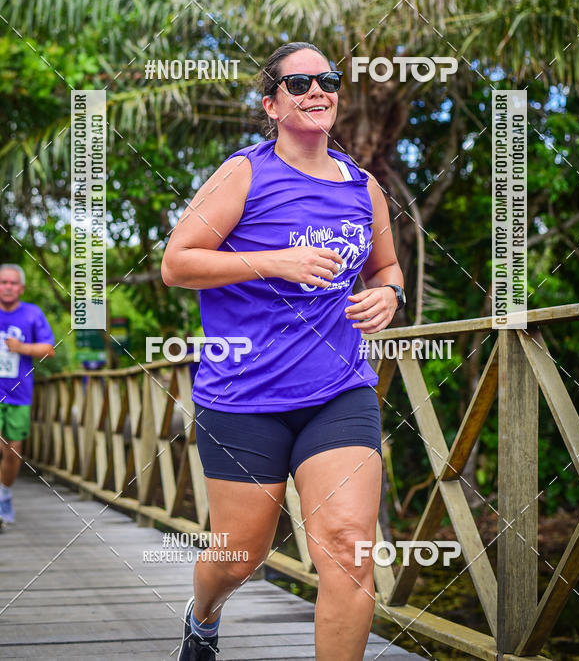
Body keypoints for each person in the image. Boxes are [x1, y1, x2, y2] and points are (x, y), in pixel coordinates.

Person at [162, 42, 406, 661]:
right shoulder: (244, 173)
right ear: (271, 105)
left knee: (349, 549)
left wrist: (390, 294)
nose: (317, 90)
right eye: (299, 83)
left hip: (338, 390)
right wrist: (274, 261)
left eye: (328, 79)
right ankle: (203, 616)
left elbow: (387, 268)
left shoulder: (363, 187)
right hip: (244, 396)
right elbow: (177, 264)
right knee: (239, 557)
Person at [0, 263, 55, 525]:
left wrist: (21, 347)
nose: (8, 287)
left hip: (18, 395)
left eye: (13, 283)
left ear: (21, 288)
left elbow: (49, 349)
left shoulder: (32, 314)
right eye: (3, 282)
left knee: (13, 452)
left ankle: (4, 494)